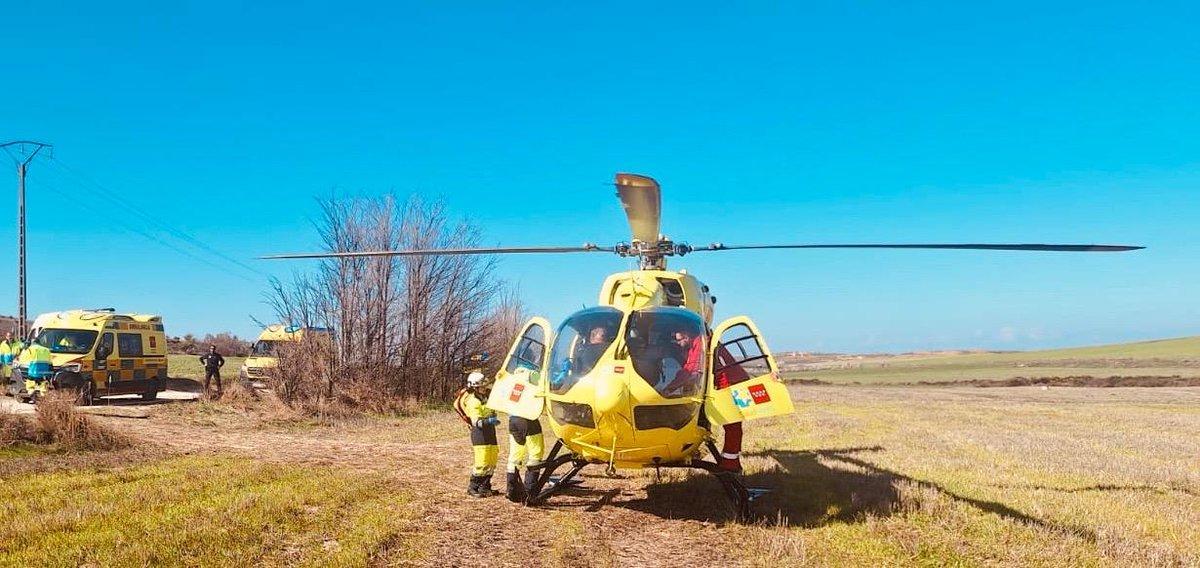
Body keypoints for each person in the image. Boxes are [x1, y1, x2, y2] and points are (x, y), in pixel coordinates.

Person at [454, 371, 500, 497]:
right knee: (482, 461)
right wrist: (490, 420)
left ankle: (485, 487)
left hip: (490, 431)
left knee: (492, 460)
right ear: (475, 387)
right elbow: (477, 422)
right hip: (480, 433)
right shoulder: (473, 401)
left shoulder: (485, 397)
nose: (485, 388)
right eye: (482, 386)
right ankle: (473, 487)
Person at [505, 410, 545, 503]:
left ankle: (511, 490)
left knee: (515, 455)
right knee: (536, 454)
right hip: (529, 420)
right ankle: (529, 492)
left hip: (513, 420)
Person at [18, 338, 52, 403]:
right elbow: (50, 363)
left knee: (30, 385)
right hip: (43, 372)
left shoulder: (29, 349)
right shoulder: (46, 350)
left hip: (32, 371)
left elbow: (23, 362)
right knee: (43, 385)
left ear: (32, 343)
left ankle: (33, 399)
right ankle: (43, 400)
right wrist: (49, 373)